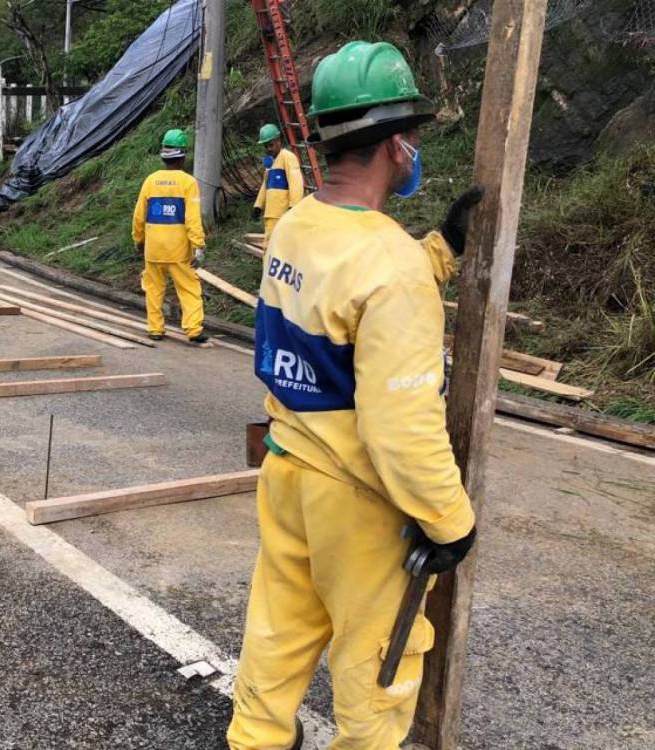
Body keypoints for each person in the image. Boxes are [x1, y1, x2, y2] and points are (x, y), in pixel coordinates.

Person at [228, 41, 482, 750]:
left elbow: (342, 292)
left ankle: (255, 740)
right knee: (376, 665)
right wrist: (450, 521)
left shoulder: (295, 227)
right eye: (414, 139)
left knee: (279, 629)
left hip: (288, 467)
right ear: (398, 145)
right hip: (357, 500)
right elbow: (400, 427)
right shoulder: (391, 266)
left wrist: (440, 249)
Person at [131, 129, 209, 345]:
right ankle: (193, 330)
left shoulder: (151, 181)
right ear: (183, 156)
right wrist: (198, 246)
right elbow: (192, 218)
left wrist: (138, 239)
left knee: (153, 289)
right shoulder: (188, 182)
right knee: (189, 288)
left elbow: (139, 215)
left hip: (153, 248)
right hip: (178, 250)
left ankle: (155, 329)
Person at [251, 123, 304, 242]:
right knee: (270, 244)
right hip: (270, 214)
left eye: (271, 145)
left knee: (282, 245)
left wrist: (294, 207)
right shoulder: (270, 162)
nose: (268, 149)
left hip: (283, 214)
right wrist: (258, 206)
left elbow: (296, 183)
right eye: (265, 146)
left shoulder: (287, 157)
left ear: (279, 141)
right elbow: (266, 185)